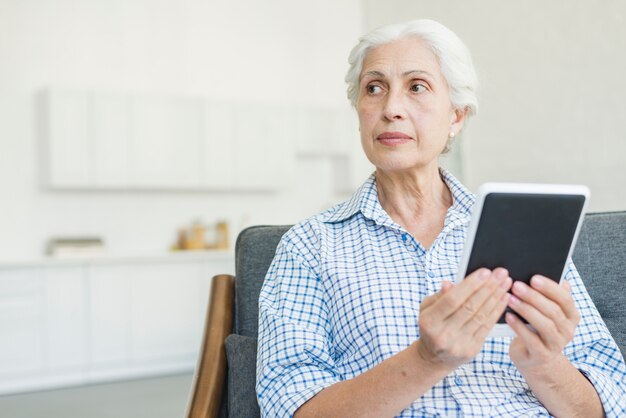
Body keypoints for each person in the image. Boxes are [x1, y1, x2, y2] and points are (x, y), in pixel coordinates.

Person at [256, 19, 626, 417]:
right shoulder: (310, 246)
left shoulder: (528, 232)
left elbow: (608, 407)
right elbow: (288, 408)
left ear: (457, 116)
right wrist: (426, 359)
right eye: (374, 88)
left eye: (417, 87)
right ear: (359, 109)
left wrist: (544, 363)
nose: (391, 109)